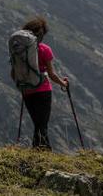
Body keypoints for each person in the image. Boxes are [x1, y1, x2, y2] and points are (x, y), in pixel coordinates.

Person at [21, 17, 68, 149]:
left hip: (27, 91)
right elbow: (52, 75)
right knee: (42, 124)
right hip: (43, 91)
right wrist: (63, 83)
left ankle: (38, 151)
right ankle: (43, 153)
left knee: (37, 123)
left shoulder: (20, 50)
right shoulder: (45, 49)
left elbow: (14, 73)